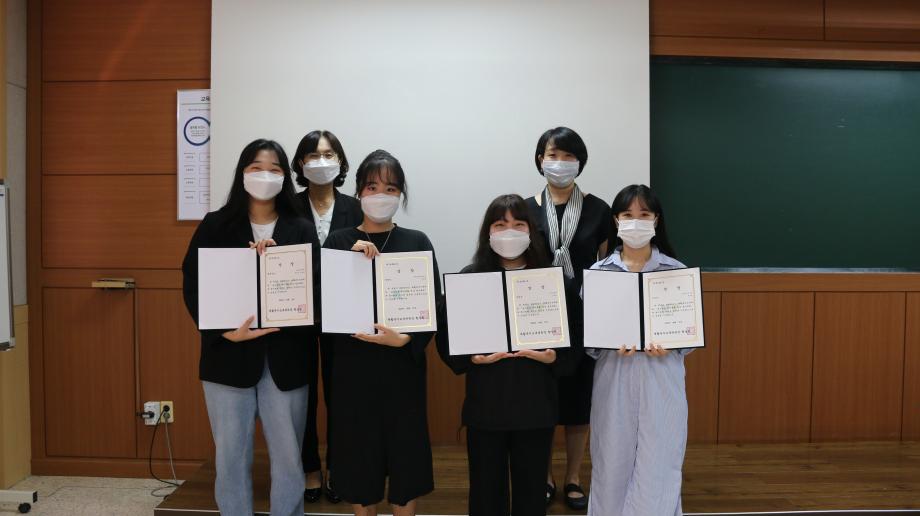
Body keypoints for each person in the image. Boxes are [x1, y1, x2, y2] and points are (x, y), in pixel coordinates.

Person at [181, 139, 320, 516]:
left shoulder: (301, 228)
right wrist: (222, 331)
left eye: (274, 169)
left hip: (286, 359)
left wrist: (280, 268)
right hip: (227, 357)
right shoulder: (215, 225)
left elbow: (316, 290)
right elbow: (193, 283)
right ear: (242, 173)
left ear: (285, 177)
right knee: (230, 458)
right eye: (256, 168)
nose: (265, 175)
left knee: (289, 459)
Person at [437, 194, 576, 516]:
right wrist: (471, 358)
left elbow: (575, 339)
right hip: (486, 407)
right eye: (500, 224)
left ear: (531, 231)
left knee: (531, 494)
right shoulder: (470, 280)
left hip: (535, 407)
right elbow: (448, 338)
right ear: (488, 232)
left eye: (518, 224)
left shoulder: (553, 281)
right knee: (486, 494)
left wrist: (554, 358)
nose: (509, 232)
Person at [322, 149, 439, 516]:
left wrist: (406, 340)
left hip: (402, 372)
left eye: (390, 188)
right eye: (372, 187)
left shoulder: (417, 241)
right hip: (353, 372)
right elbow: (324, 307)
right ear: (358, 192)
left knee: (406, 460)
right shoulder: (338, 243)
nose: (381, 195)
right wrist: (350, 263)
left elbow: (432, 306)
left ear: (400, 194)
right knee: (359, 460)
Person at [586, 184, 688, 516]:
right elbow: (590, 342)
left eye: (644, 214)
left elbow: (687, 338)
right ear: (616, 221)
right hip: (614, 377)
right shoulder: (599, 273)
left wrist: (670, 345)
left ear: (656, 220)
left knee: (660, 464)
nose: (636, 222)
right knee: (610, 463)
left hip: (662, 378)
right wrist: (608, 342)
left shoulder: (676, 271)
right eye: (627, 215)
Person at [525, 126, 610, 509]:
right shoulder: (525, 209)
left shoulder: (599, 210)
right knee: (541, 401)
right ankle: (543, 476)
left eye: (568, 156)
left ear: (580, 162)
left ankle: (573, 477)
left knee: (578, 403)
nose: (559, 163)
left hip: (583, 318)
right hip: (537, 317)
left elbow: (608, 263)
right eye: (552, 155)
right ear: (540, 159)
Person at [290, 129, 362, 504]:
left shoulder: (357, 207)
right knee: (302, 395)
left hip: (344, 315)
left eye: (329, 154)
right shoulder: (288, 207)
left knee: (342, 394)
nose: (321, 162)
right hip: (296, 315)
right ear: (300, 164)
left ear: (341, 161)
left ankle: (338, 466)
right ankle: (309, 469)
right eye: (313, 155)